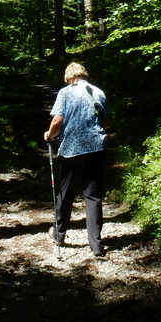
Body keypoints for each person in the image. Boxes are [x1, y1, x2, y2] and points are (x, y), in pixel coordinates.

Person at [43, 62, 108, 257]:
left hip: (71, 149)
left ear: (69, 77)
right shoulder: (99, 92)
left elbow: (58, 120)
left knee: (65, 193)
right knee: (93, 196)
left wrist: (49, 135)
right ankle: (96, 245)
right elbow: (108, 120)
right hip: (97, 147)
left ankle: (59, 234)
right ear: (84, 75)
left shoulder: (65, 92)